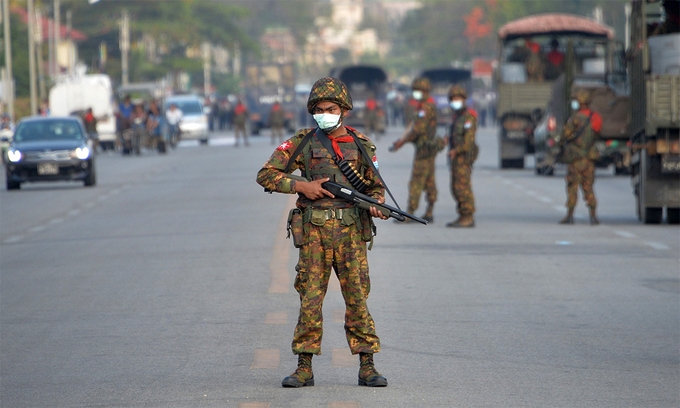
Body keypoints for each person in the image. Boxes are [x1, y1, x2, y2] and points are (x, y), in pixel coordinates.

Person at [256, 77, 389, 389]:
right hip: (314, 232)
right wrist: (302, 185)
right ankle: (304, 367)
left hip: (351, 232)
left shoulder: (361, 145)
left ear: (344, 110)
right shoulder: (302, 142)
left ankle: (367, 365)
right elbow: (266, 174)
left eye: (330, 109)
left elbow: (375, 186)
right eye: (318, 110)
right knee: (310, 300)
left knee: (357, 298)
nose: (324, 114)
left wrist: (378, 203)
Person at [390, 77, 444, 223]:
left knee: (416, 181)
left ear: (424, 91)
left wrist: (403, 141)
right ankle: (430, 210)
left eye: (418, 91)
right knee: (429, 180)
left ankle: (410, 212)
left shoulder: (425, 108)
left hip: (424, 149)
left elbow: (417, 130)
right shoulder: (427, 106)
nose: (415, 93)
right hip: (429, 149)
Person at [558, 89, 603, 225]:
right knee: (588, 187)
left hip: (576, 159)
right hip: (589, 159)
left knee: (572, 186)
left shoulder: (575, 118)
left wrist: (561, 144)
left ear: (579, 102)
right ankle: (593, 216)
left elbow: (565, 135)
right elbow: (597, 133)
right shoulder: (596, 118)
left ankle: (570, 216)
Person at [446, 85, 479, 228]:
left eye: (458, 99)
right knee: (455, 187)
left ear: (464, 100)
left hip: (463, 158)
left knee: (463, 187)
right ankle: (462, 215)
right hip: (455, 159)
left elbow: (469, 142)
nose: (455, 101)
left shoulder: (468, 118)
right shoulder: (457, 118)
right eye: (453, 99)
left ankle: (468, 216)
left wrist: (456, 151)